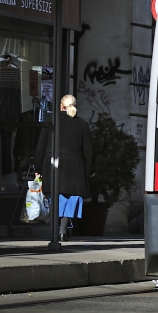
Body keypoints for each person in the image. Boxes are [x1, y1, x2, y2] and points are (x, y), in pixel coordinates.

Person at [35, 94, 94, 241]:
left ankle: (54, 229)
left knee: (56, 196)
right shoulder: (82, 124)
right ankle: (63, 229)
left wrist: (38, 166)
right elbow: (89, 149)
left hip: (53, 163)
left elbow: (41, 146)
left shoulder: (51, 121)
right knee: (72, 198)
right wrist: (91, 168)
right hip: (75, 165)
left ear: (61, 106)